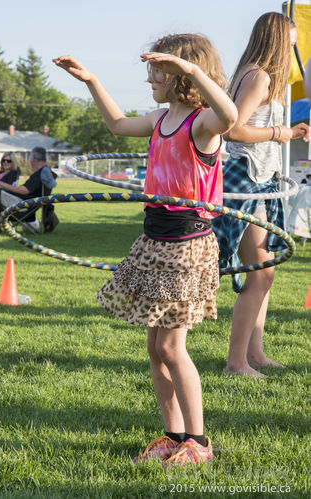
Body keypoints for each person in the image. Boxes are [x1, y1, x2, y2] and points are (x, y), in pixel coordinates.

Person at [53, 33, 237, 465]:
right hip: (155, 239)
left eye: (157, 69)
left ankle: (200, 444)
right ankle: (173, 436)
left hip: (188, 244)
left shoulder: (203, 123)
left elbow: (228, 115)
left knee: (173, 348)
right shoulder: (160, 119)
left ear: (179, 73)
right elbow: (117, 125)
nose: (150, 77)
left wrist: (193, 71)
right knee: (155, 349)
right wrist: (92, 81)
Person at [212, 12, 310, 378]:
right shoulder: (259, 76)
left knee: (264, 271)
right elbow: (233, 130)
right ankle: (237, 363)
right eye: (293, 40)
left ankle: (256, 353)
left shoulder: (255, 74)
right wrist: (279, 134)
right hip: (247, 179)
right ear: (277, 39)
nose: (296, 47)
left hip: (262, 180)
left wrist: (287, 131)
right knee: (260, 273)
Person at [0, 146, 57, 235]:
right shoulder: (45, 172)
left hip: (23, 206)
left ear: (33, 158)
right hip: (26, 204)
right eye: (4, 160)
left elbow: (23, 191)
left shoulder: (39, 174)